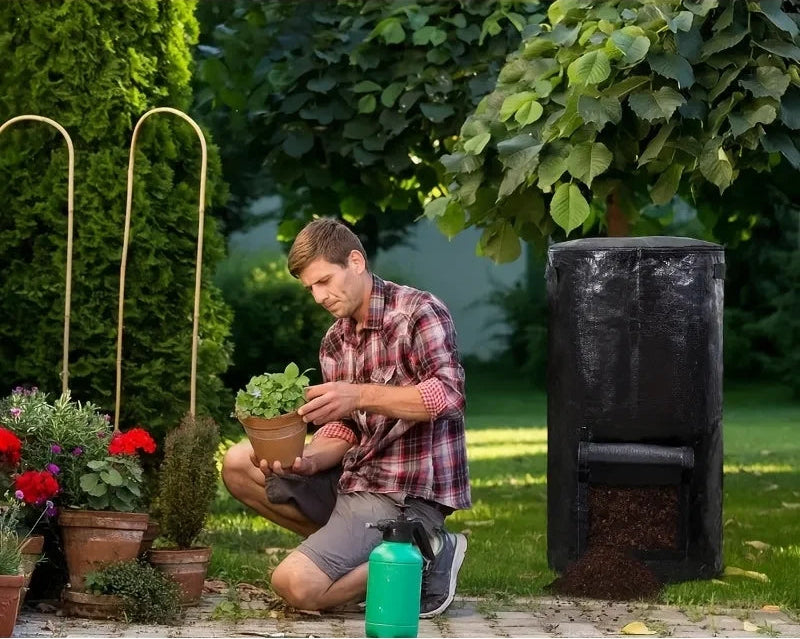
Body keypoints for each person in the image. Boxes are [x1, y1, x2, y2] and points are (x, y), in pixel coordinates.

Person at [222, 217, 471, 617]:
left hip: (401, 492)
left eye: (324, 281)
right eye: (310, 288)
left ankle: (425, 553)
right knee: (237, 462)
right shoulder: (335, 341)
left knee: (294, 584)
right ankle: (373, 554)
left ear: (355, 261)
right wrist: (310, 460)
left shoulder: (417, 312)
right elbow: (346, 427)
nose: (318, 297)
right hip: (355, 480)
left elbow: (449, 396)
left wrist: (359, 394)